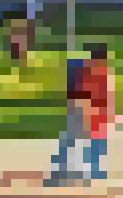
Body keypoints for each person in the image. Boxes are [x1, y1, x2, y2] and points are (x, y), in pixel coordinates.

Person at [48, 42, 114, 185]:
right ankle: (79, 171)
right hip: (86, 108)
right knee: (81, 140)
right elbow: (98, 94)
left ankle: (74, 170)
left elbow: (103, 95)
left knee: (80, 140)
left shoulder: (86, 69)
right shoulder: (92, 71)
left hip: (86, 108)